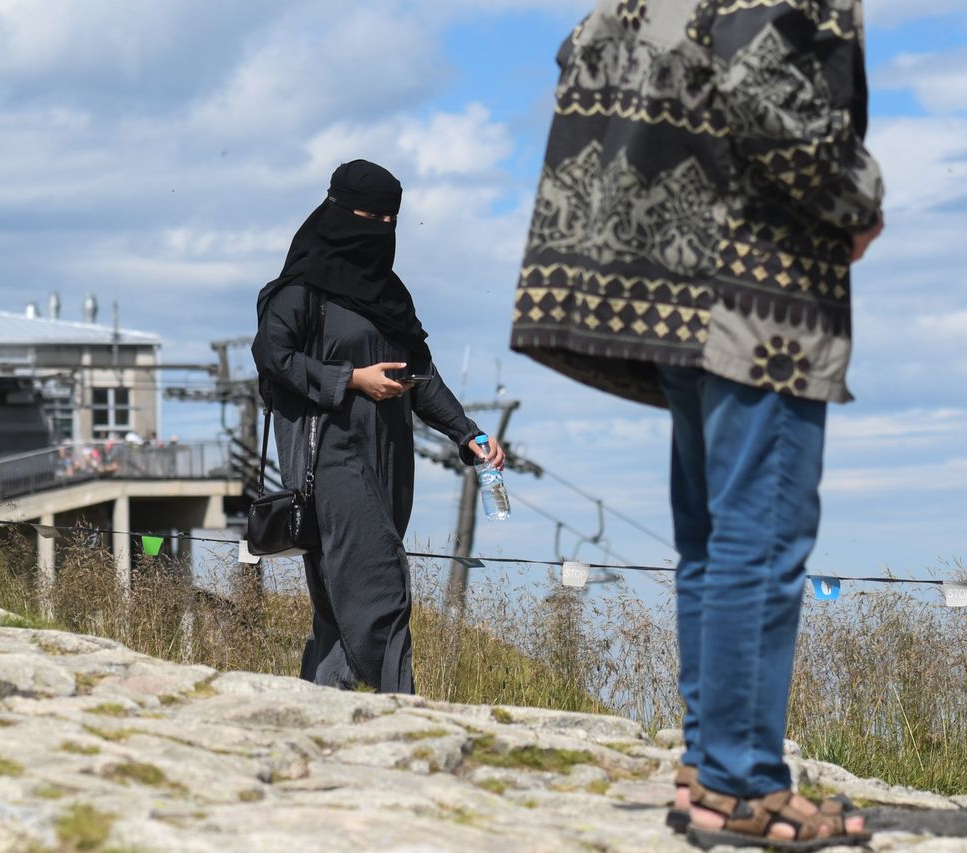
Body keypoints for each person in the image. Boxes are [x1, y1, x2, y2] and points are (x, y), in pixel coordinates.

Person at [509, 2, 881, 849]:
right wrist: (856, 195)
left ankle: (709, 768)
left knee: (713, 540)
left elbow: (583, 49)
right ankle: (741, 782)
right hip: (761, 293)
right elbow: (761, 81)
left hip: (672, 284)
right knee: (763, 536)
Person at [253, 160, 505, 694]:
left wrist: (467, 433)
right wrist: (350, 380)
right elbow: (274, 358)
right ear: (337, 212)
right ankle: (401, 711)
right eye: (368, 216)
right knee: (381, 587)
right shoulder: (300, 290)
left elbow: (421, 375)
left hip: (390, 462)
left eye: (390, 220)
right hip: (330, 461)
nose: (380, 229)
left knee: (339, 604)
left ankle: (321, 712)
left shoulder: (390, 294)